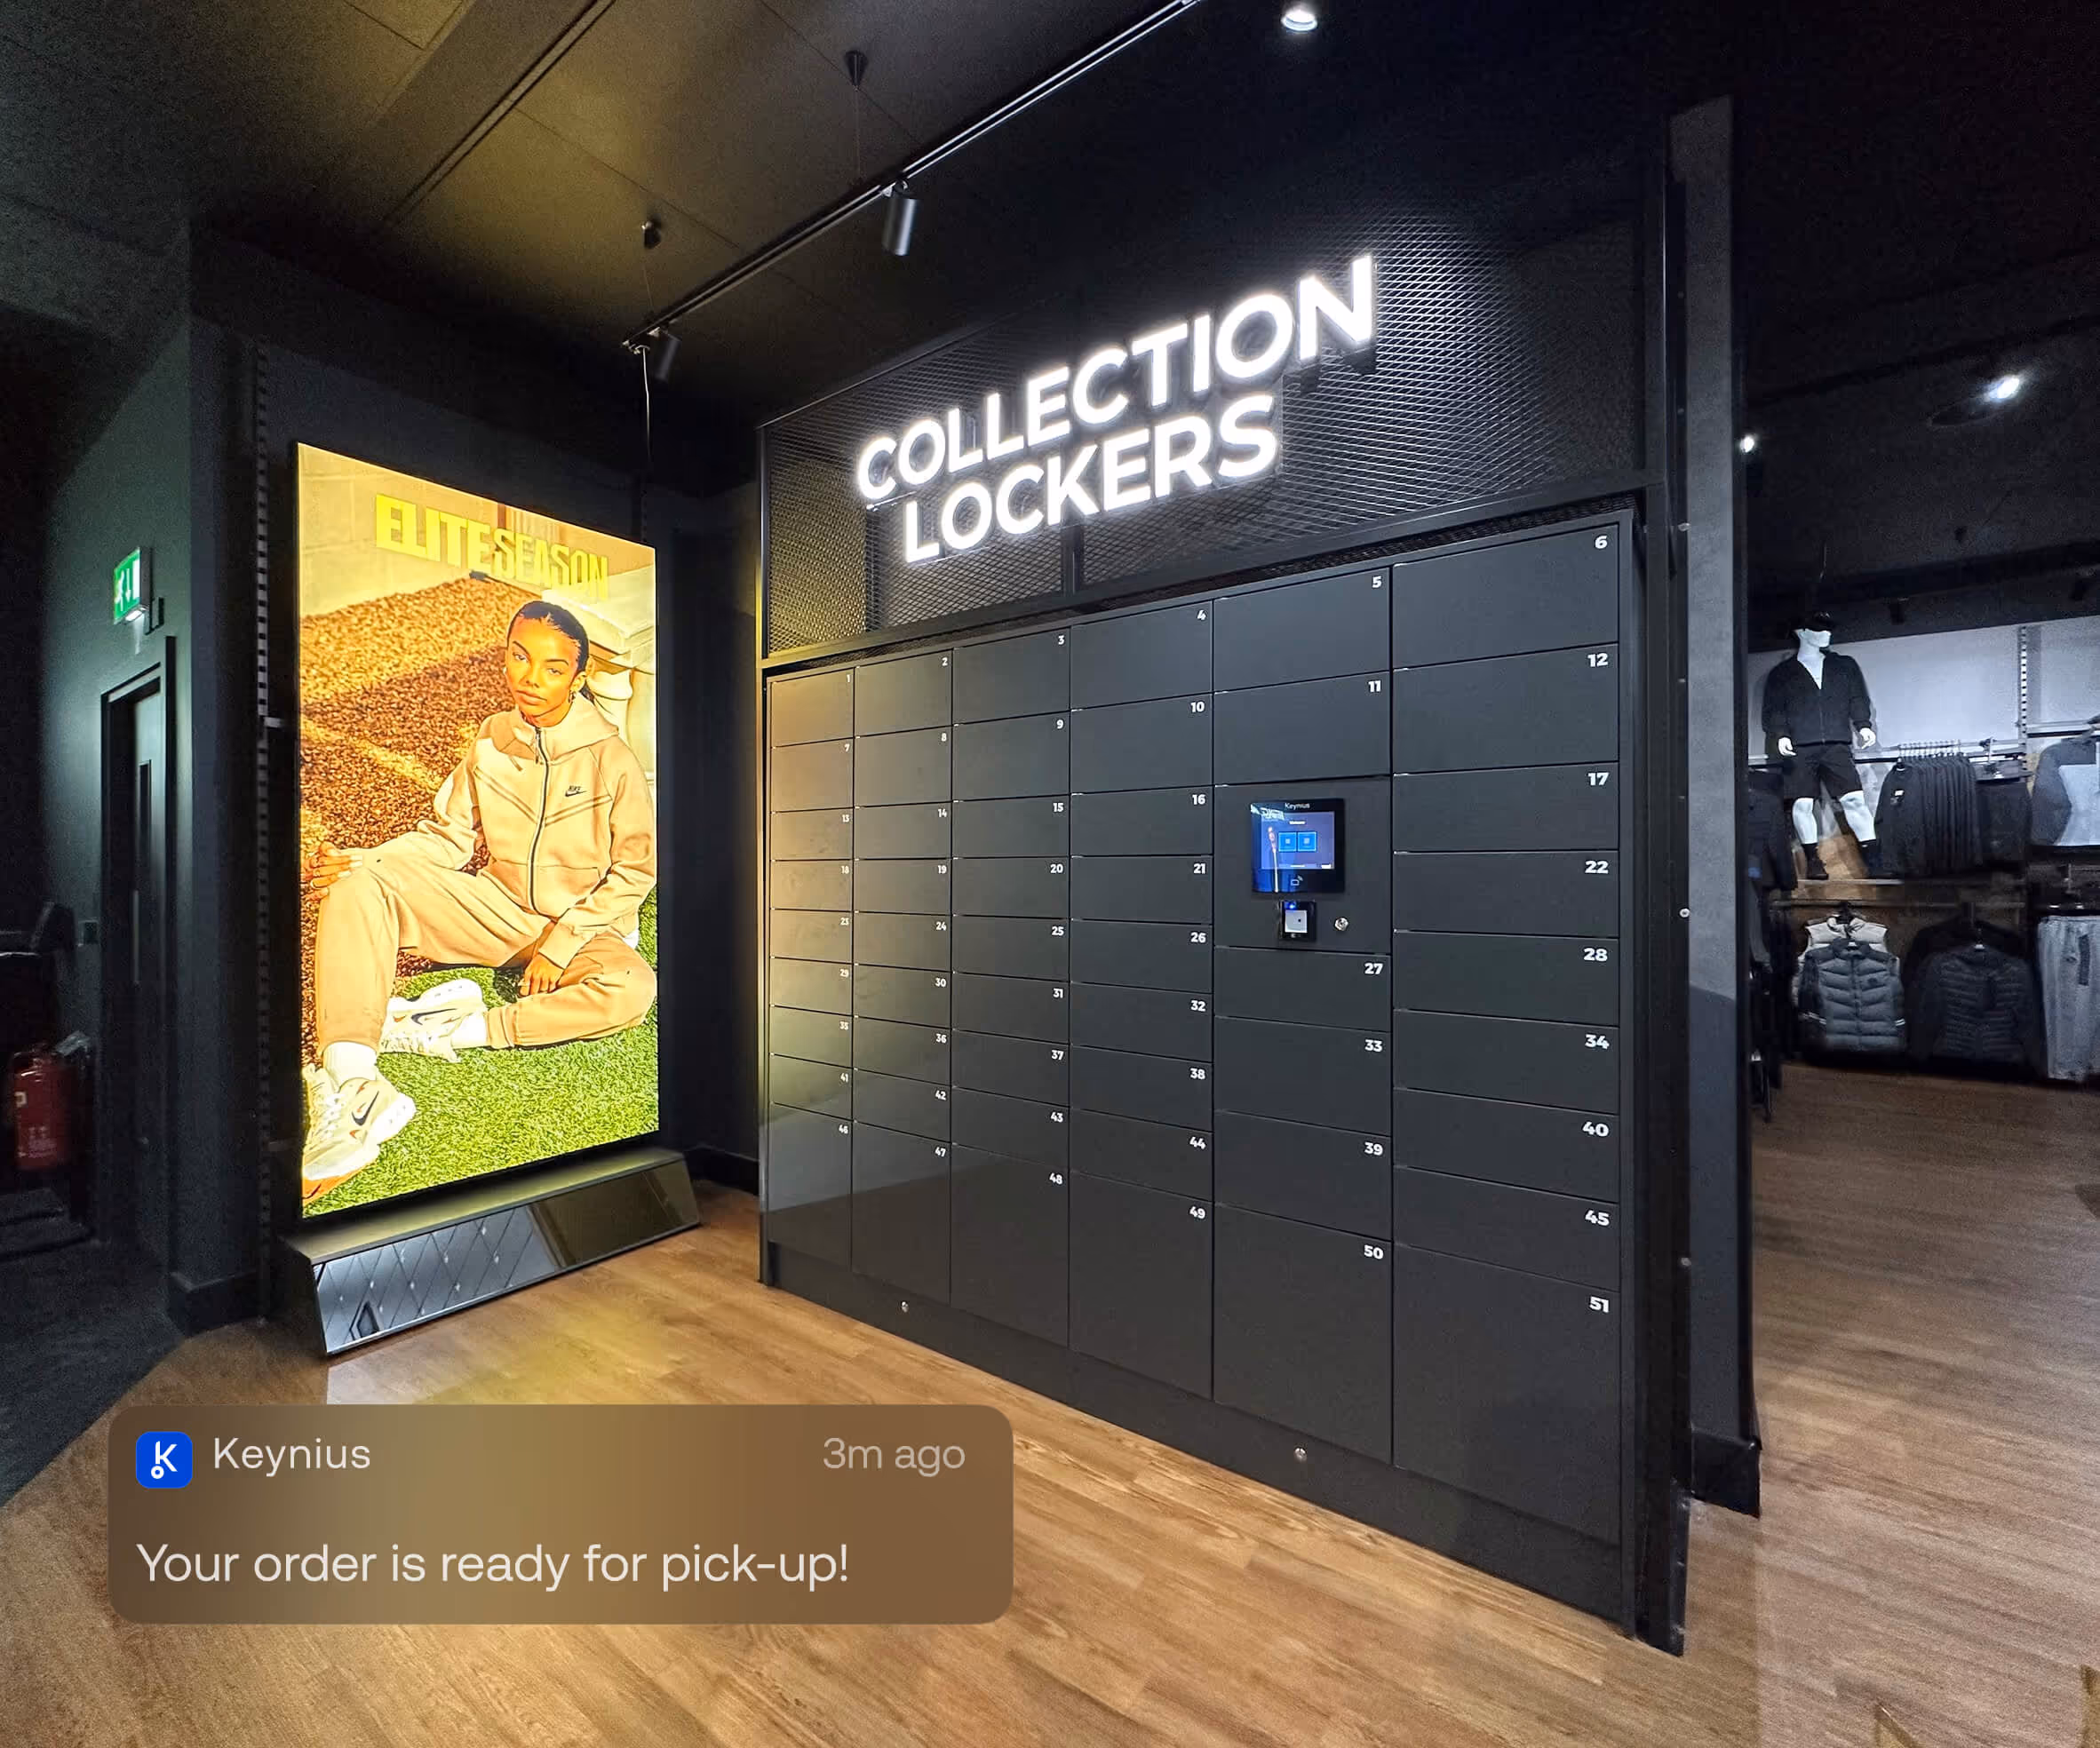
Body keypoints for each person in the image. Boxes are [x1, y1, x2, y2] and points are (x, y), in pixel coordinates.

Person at [300, 600, 657, 1203]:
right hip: (500, 909)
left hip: (586, 932)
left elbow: (635, 871)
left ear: (576, 675)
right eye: (519, 658)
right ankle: (355, 1082)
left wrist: (564, 941)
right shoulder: (490, 740)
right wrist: (367, 860)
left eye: (551, 667)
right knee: (357, 884)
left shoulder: (611, 759)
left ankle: (455, 1029)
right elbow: (445, 839)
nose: (530, 678)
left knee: (631, 991)